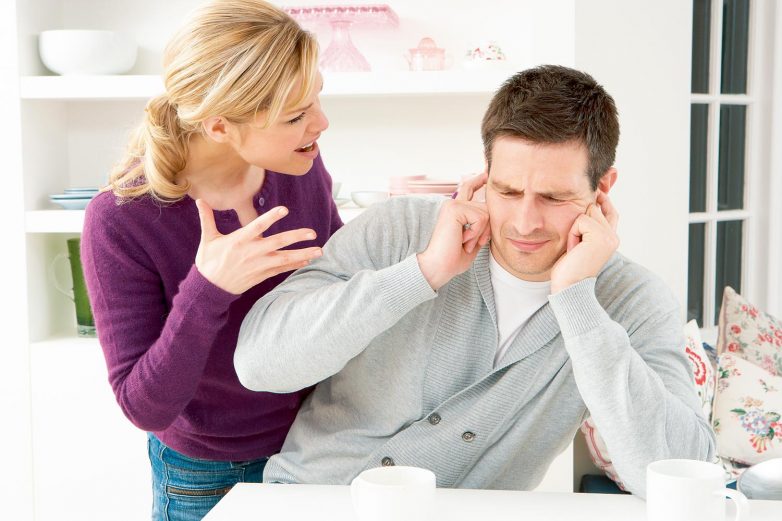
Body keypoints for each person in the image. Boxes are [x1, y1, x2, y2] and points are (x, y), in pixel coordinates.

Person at [233, 65, 716, 497]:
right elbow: (260, 365)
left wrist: (577, 301)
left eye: (553, 198)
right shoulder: (398, 229)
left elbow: (677, 473)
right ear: (485, 175)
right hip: (308, 501)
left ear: (603, 187)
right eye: (507, 190)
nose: (525, 222)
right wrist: (423, 272)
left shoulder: (633, 299)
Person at [80, 1, 339, 519]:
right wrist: (208, 289)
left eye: (316, 100)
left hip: (322, 444)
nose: (321, 123)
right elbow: (143, 406)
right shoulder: (121, 218)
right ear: (220, 127)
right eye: (295, 116)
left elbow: (340, 286)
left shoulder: (298, 166)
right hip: (208, 474)